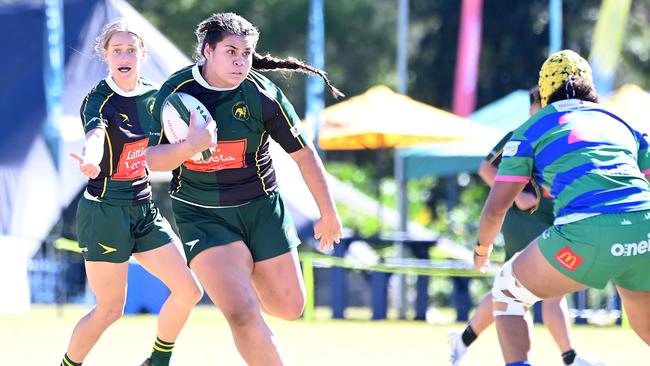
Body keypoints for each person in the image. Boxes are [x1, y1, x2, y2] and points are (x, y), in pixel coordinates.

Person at [146, 12, 343, 366]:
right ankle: (235, 280)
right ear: (208, 51)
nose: (240, 61)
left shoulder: (262, 94)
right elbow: (153, 160)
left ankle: (243, 270)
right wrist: (189, 147)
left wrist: (328, 213)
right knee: (242, 313)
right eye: (231, 52)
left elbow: (305, 156)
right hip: (203, 216)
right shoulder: (177, 93)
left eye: (247, 53)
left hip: (262, 208)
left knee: (289, 307)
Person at [474, 49, 650, 366]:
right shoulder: (623, 123)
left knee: (508, 292)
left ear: (544, 93)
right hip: (645, 232)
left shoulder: (531, 128)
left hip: (585, 233)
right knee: (643, 318)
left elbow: (494, 210)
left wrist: (481, 249)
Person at [61, 20, 203, 366]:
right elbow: (94, 136)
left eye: (130, 49)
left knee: (190, 291)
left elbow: (178, 144)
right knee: (110, 309)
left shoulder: (158, 98)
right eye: (117, 50)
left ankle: (157, 361)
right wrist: (91, 161)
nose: (124, 55)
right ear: (106, 55)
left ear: (142, 54)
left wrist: (196, 147)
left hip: (143, 210)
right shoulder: (98, 99)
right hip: (104, 213)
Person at [448, 87, 602, 366]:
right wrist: (519, 195)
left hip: (548, 218)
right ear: (532, 107)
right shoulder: (522, 133)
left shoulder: (557, 133)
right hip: (525, 220)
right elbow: (486, 168)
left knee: (510, 289)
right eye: (540, 105)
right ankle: (570, 358)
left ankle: (463, 338)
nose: (544, 110)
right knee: (546, 286)